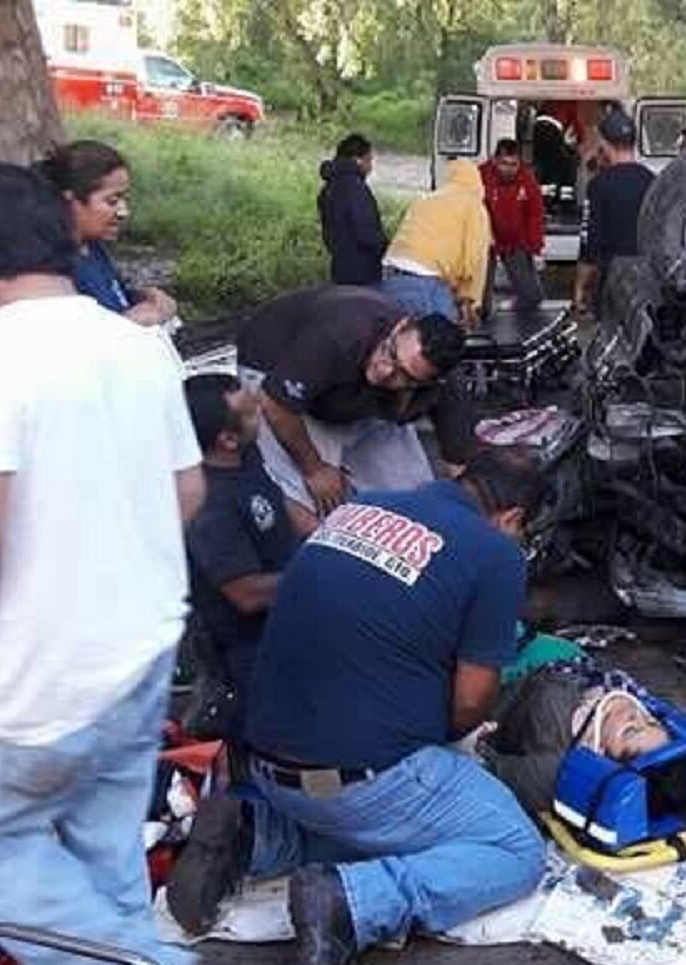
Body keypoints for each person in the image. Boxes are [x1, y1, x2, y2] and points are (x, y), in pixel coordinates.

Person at [0, 164, 204, 965]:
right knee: (102, 856)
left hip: (35, 678)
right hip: (141, 649)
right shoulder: (131, 343)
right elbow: (186, 493)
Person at [165, 449, 548, 965]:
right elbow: (470, 703)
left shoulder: (357, 509)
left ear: (457, 477)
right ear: (513, 518)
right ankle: (353, 901)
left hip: (270, 769)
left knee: (366, 815)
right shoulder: (495, 554)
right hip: (357, 782)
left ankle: (255, 836)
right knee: (512, 849)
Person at [235, 285, 465, 535]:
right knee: (315, 500)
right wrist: (315, 468)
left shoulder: (439, 383)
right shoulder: (340, 333)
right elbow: (276, 403)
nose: (386, 371)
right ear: (400, 327)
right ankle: (321, 553)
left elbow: (460, 459)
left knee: (415, 499)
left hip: (349, 389)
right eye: (390, 354)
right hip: (274, 369)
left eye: (405, 376)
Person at [182, 373, 299, 720]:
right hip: (250, 650)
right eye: (250, 413)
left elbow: (277, 502)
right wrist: (323, 571)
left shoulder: (246, 456)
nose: (260, 412)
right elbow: (246, 594)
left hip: (288, 619)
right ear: (226, 439)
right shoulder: (208, 504)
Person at [484, 657, 674, 814]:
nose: (637, 715)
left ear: (599, 753)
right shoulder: (624, 694)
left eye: (630, 730)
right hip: (556, 663)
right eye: (651, 722)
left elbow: (481, 770)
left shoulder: (555, 770)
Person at [35, 140, 178, 326]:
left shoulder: (93, 248)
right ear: (70, 201)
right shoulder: (52, 269)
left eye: (124, 199)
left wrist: (145, 298)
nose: (123, 212)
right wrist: (130, 322)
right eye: (112, 201)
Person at [381, 157, 491, 327]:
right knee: (443, 342)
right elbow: (474, 259)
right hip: (426, 279)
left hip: (391, 272)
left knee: (401, 341)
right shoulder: (473, 206)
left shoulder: (427, 198)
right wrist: (470, 301)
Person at [572, 106, 654, 318]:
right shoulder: (653, 182)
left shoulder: (599, 185)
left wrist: (580, 289)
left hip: (613, 282)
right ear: (634, 142)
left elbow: (590, 243)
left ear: (604, 144)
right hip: (648, 283)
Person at [478, 139, 545, 314]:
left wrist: (535, 248)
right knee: (479, 304)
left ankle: (514, 308)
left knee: (532, 297)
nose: (509, 169)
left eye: (514, 164)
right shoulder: (481, 176)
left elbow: (535, 215)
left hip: (515, 242)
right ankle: (481, 314)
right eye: (504, 164)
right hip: (486, 240)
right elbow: (473, 210)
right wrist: (486, 235)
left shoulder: (527, 180)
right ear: (495, 161)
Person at [317, 133, 387, 286]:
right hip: (364, 273)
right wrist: (386, 250)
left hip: (340, 269)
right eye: (369, 160)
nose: (371, 167)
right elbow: (367, 232)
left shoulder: (327, 188)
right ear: (358, 160)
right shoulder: (355, 188)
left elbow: (327, 233)